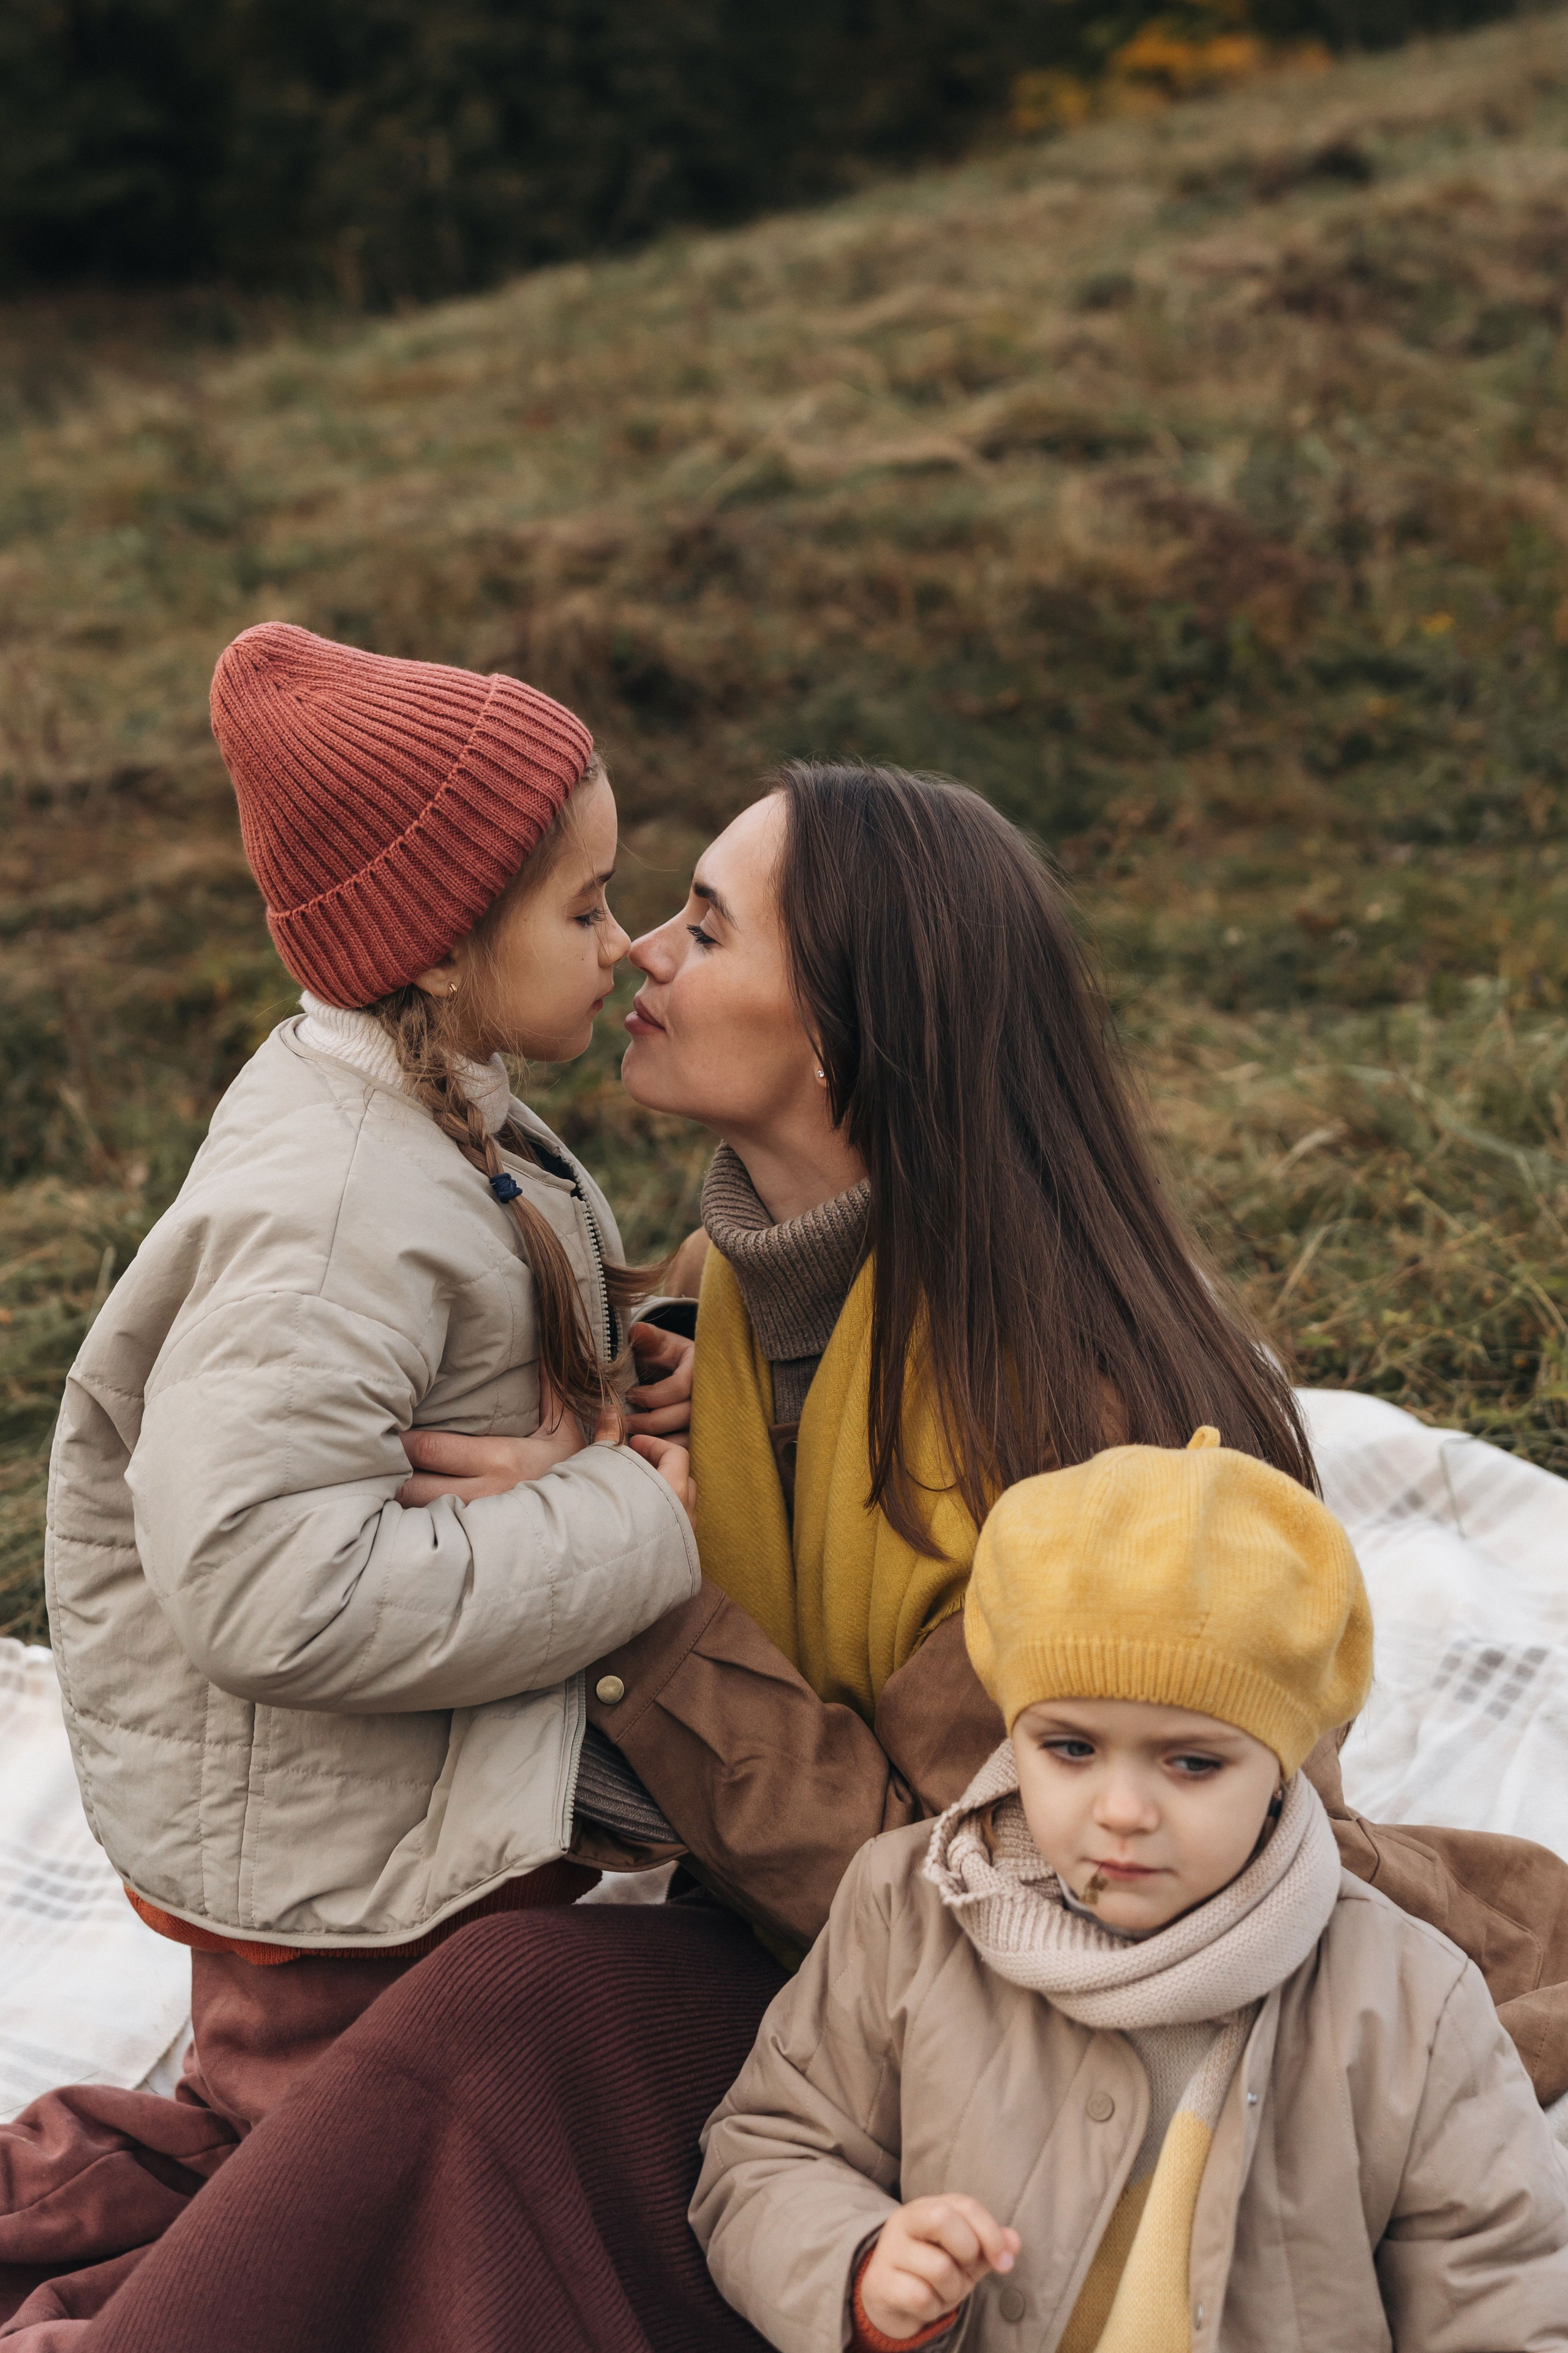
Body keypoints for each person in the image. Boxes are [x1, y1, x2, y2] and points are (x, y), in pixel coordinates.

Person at [61, 766, 1568, 2353]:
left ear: (846, 1036)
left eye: (706, 928)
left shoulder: (1065, 1430)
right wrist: (601, 1450)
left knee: (507, 2023)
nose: (641, 948)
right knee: (454, 2030)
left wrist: (623, 1585)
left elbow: (976, 1880)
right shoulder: (733, 1285)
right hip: (789, 1946)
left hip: (1046, 2010)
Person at [0, 625, 701, 2342]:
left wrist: (615, 1375)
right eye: (585, 908)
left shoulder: (438, 1105)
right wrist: (634, 1512)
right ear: (443, 944)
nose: (623, 945)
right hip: (338, 1855)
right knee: (321, 2181)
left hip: (408, 1795)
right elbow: (264, 1582)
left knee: (335, 2134)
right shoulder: (330, 1208)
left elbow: (449, 1367)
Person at [693, 1430, 1568, 2351]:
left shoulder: (1413, 2000)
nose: (1121, 1811)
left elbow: (1502, 2291)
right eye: (1070, 1748)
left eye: (1192, 1763)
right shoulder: (906, 1910)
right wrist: (860, 2263)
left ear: (1279, 1768)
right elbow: (769, 2151)